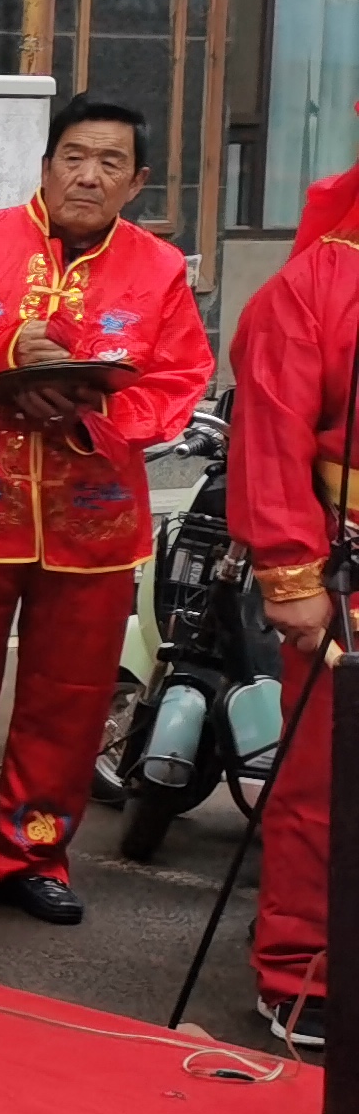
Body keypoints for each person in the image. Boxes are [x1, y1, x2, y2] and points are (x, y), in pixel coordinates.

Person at [0, 93, 212, 926]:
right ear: (47, 164)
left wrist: (96, 411)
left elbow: (178, 380)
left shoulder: (159, 269)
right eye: (74, 158)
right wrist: (5, 351)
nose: (88, 176)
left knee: (71, 696)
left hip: (92, 513)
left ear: (137, 181)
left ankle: (32, 855)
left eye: (109, 163)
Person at [228, 161, 359, 1055]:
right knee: (327, 781)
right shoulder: (316, 283)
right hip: (348, 564)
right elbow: (271, 437)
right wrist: (292, 577)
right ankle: (302, 970)